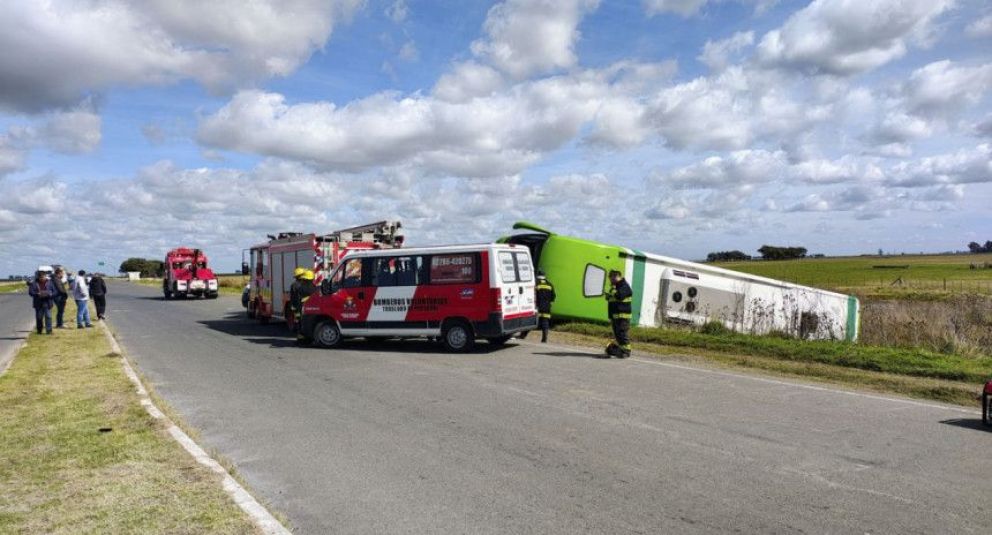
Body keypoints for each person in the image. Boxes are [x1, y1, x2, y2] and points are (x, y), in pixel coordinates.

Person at [604, 270, 632, 358]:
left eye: (611, 278)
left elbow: (620, 296)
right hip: (615, 316)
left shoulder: (624, 286)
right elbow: (613, 299)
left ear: (616, 276)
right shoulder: (615, 287)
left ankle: (626, 351)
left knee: (622, 334)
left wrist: (612, 293)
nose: (610, 280)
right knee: (618, 335)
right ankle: (621, 350)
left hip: (622, 316)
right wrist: (608, 296)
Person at [291, 269, 317, 344]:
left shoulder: (298, 286)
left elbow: (295, 298)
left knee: (300, 323)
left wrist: (294, 308)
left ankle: (302, 339)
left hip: (301, 308)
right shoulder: (314, 287)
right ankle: (308, 338)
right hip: (312, 310)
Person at [535, 270, 556, 343]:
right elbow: (553, 297)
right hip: (547, 306)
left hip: (537, 305)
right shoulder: (550, 284)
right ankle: (544, 338)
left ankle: (523, 335)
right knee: (545, 322)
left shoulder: (536, 283)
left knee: (531, 321)